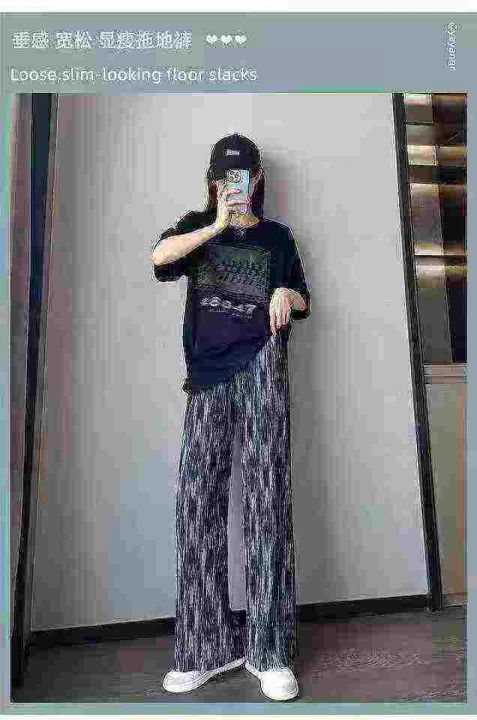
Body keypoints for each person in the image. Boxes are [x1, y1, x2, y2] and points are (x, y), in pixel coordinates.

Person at [150, 134, 310, 701]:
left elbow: (303, 298)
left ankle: (270, 651)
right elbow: (159, 257)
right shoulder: (198, 227)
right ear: (214, 181)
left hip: (263, 364)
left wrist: (286, 293)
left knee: (267, 503)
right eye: (224, 178)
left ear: (257, 178)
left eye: (242, 177)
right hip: (207, 374)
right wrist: (217, 224)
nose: (234, 185)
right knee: (196, 506)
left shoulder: (278, 238)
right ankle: (205, 647)